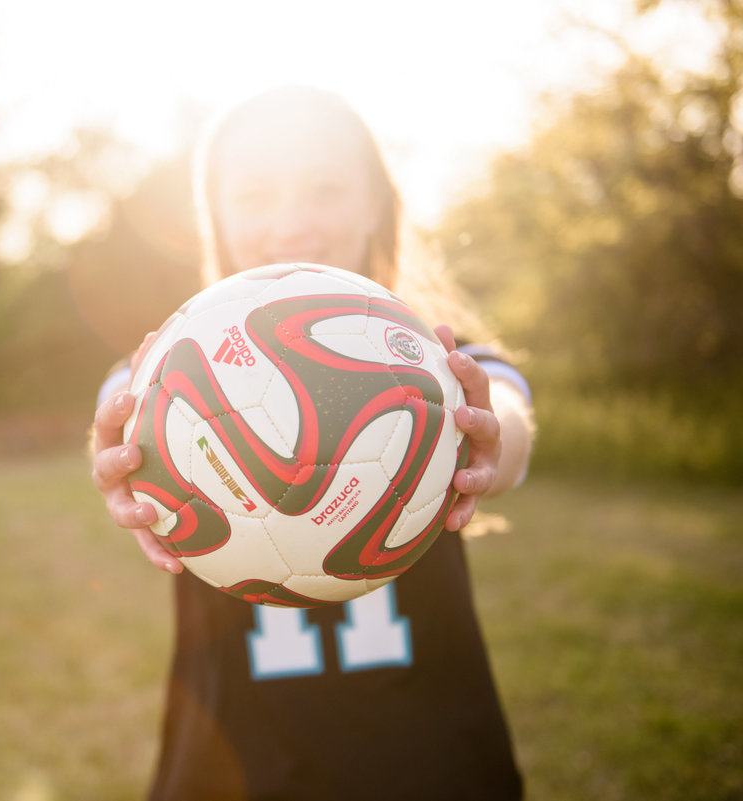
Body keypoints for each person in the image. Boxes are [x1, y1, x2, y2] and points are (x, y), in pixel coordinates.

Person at [91, 85, 535, 801]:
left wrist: (490, 442)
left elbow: (508, 410)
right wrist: (111, 455)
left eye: (326, 189)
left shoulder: (435, 359)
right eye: (257, 194)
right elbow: (115, 411)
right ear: (219, 216)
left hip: (430, 757)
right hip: (235, 762)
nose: (291, 221)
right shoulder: (174, 366)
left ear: (375, 205)